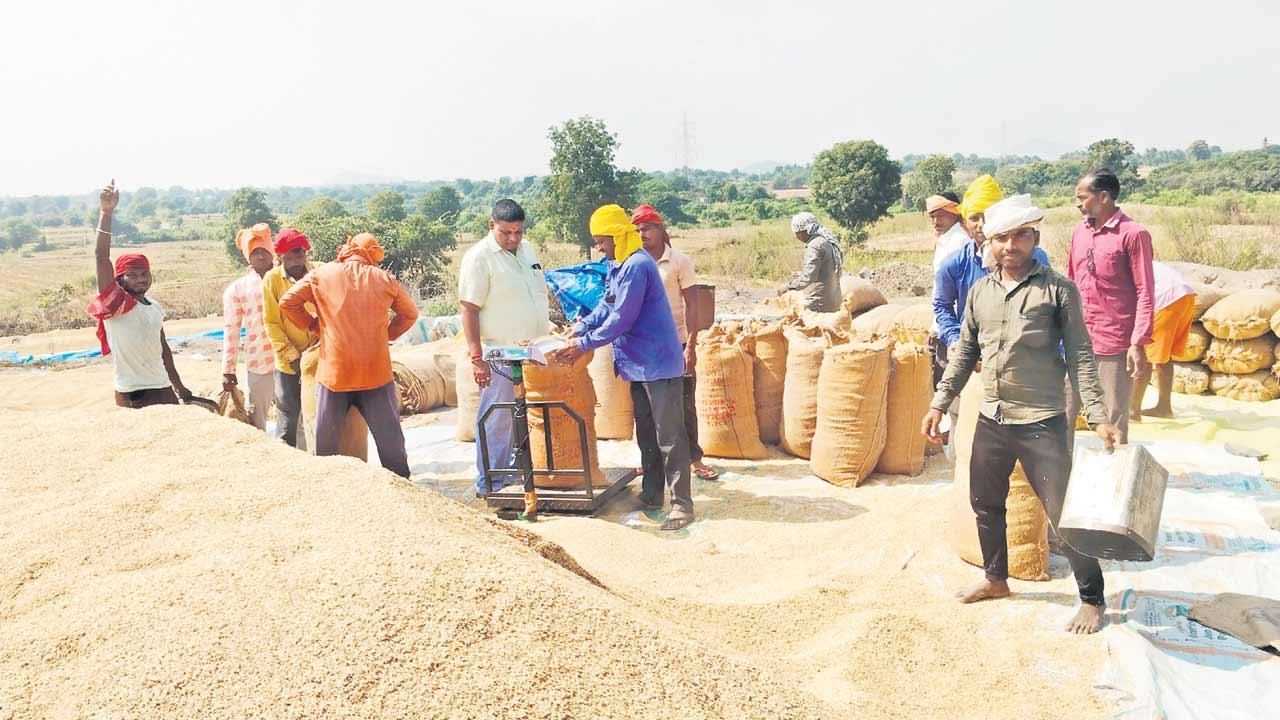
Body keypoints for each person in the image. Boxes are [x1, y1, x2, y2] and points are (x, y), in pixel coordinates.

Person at [922, 195, 1121, 635]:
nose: (1010, 245)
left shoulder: (1057, 290)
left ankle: (1092, 599)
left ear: (1035, 237)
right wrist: (939, 402)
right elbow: (964, 354)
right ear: (988, 242)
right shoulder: (980, 292)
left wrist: (1098, 413)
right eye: (1001, 238)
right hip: (992, 418)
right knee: (986, 503)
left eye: (1020, 236)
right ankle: (997, 580)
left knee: (1062, 512)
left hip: (1041, 421)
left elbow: (1081, 356)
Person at [549, 205, 691, 531]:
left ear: (616, 235)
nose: (599, 246)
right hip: (638, 365)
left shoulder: (638, 265)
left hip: (658, 363)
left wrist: (582, 345)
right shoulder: (618, 264)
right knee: (646, 434)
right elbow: (606, 305)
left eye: (602, 240)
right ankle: (652, 494)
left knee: (669, 436)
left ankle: (682, 505)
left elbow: (622, 317)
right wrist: (581, 326)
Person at [279, 232, 418, 477]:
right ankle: (402, 487)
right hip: (375, 374)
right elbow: (409, 315)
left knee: (326, 448)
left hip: (335, 374)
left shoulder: (322, 275)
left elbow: (288, 302)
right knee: (390, 445)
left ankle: (328, 492)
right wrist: (386, 335)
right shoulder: (384, 278)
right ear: (371, 255)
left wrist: (314, 326)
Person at [932, 183, 1051, 447]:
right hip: (970, 361)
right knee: (964, 431)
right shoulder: (954, 263)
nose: (981, 224)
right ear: (964, 222)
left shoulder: (1034, 258)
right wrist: (954, 339)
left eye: (988, 215)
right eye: (974, 217)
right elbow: (941, 306)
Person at [457, 199, 550, 496]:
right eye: (506, 232)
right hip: (499, 354)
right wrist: (476, 358)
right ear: (491, 225)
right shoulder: (479, 258)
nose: (513, 239)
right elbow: (469, 309)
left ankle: (516, 470)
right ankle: (490, 482)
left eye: (518, 232)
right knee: (498, 417)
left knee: (526, 415)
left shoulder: (528, 250)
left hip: (533, 351)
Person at [1066, 168, 1156, 445]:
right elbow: (1070, 281)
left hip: (1114, 340)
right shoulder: (1080, 232)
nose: (1078, 203)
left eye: (1082, 197)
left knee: (1113, 415)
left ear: (1104, 197)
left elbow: (1145, 291)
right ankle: (1057, 477)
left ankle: (1114, 475)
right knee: (1063, 410)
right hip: (1077, 337)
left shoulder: (1133, 234)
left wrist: (1137, 342)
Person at [87, 179, 193, 408]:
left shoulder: (154, 307)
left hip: (162, 387)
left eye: (143, 274)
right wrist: (106, 213)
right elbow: (100, 257)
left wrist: (178, 385)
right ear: (120, 279)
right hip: (131, 391)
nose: (140, 279)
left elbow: (163, 350)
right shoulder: (114, 305)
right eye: (132, 275)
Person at [631, 204, 718, 481]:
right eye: (637, 230)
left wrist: (691, 345)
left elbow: (693, 304)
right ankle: (650, 460)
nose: (642, 234)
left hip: (676, 345)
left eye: (647, 228)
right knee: (644, 409)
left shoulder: (679, 261)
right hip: (643, 348)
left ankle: (694, 459)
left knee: (683, 404)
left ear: (660, 229)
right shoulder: (634, 261)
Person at [261, 227, 317, 448]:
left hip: (318, 355)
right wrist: (291, 356)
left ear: (306, 253)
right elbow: (272, 322)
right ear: (280, 257)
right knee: (288, 418)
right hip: (288, 362)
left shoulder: (318, 272)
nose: (296, 260)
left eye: (299, 253)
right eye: (290, 255)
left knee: (319, 413)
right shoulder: (272, 280)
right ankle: (287, 464)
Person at [221, 223, 277, 430]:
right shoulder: (236, 289)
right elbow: (231, 331)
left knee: (296, 417)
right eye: (255, 252)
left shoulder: (289, 278)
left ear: (272, 251)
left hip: (291, 361)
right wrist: (228, 369)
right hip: (259, 362)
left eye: (264, 250)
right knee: (257, 420)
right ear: (247, 256)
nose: (261, 256)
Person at [1130, 261, 1196, 421]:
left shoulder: (1122, 267)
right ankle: (1164, 408)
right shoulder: (1138, 260)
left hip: (1164, 299)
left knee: (1143, 353)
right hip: (1185, 297)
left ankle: (1132, 412)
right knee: (1163, 356)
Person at [779, 212, 843, 312]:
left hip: (819, 304)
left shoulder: (814, 246)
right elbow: (825, 270)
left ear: (805, 231)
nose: (797, 237)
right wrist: (801, 274)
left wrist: (788, 286)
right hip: (835, 300)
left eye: (797, 233)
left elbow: (809, 277)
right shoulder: (825, 241)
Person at [927, 192, 968, 272]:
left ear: (954, 213)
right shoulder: (944, 238)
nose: (935, 221)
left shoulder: (960, 240)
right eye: (932, 217)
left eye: (940, 216)